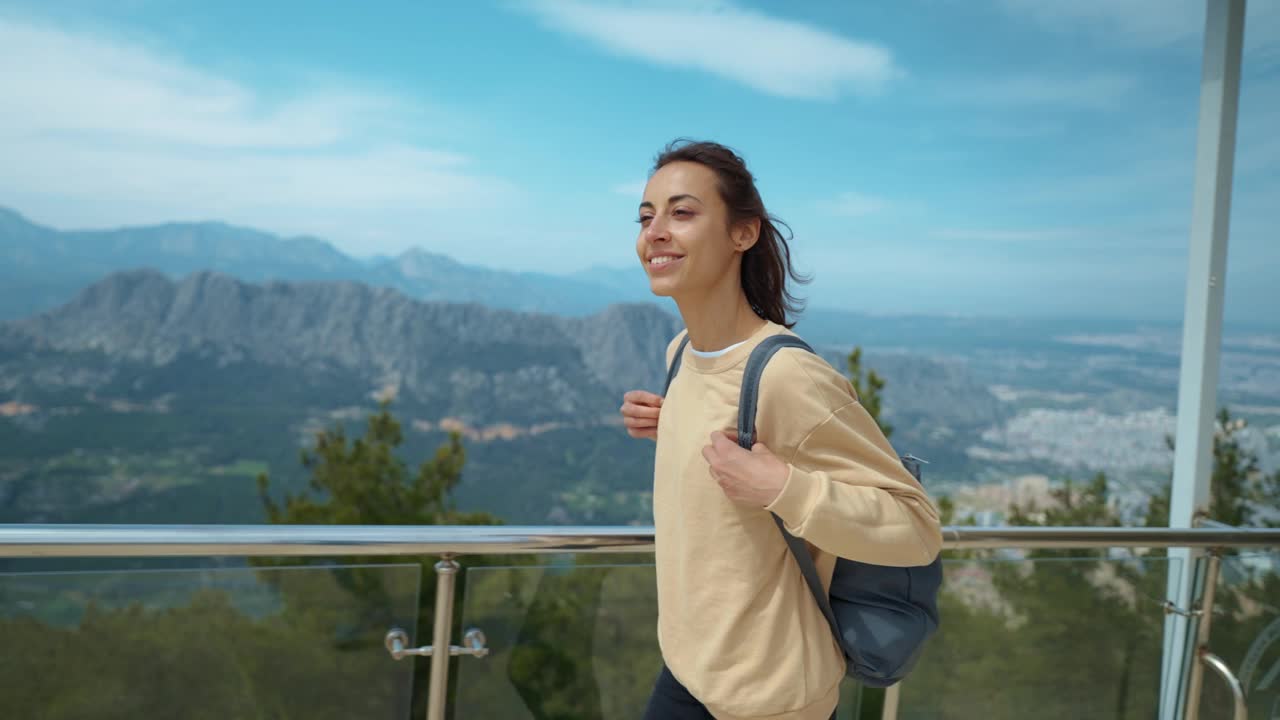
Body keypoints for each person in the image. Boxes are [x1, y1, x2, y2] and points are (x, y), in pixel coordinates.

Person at [619, 139, 943, 720]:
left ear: (743, 234)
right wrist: (674, 429)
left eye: (683, 212)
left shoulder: (789, 375)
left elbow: (916, 528)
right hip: (688, 670)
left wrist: (783, 490)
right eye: (647, 217)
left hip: (771, 698)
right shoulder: (681, 354)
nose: (655, 231)